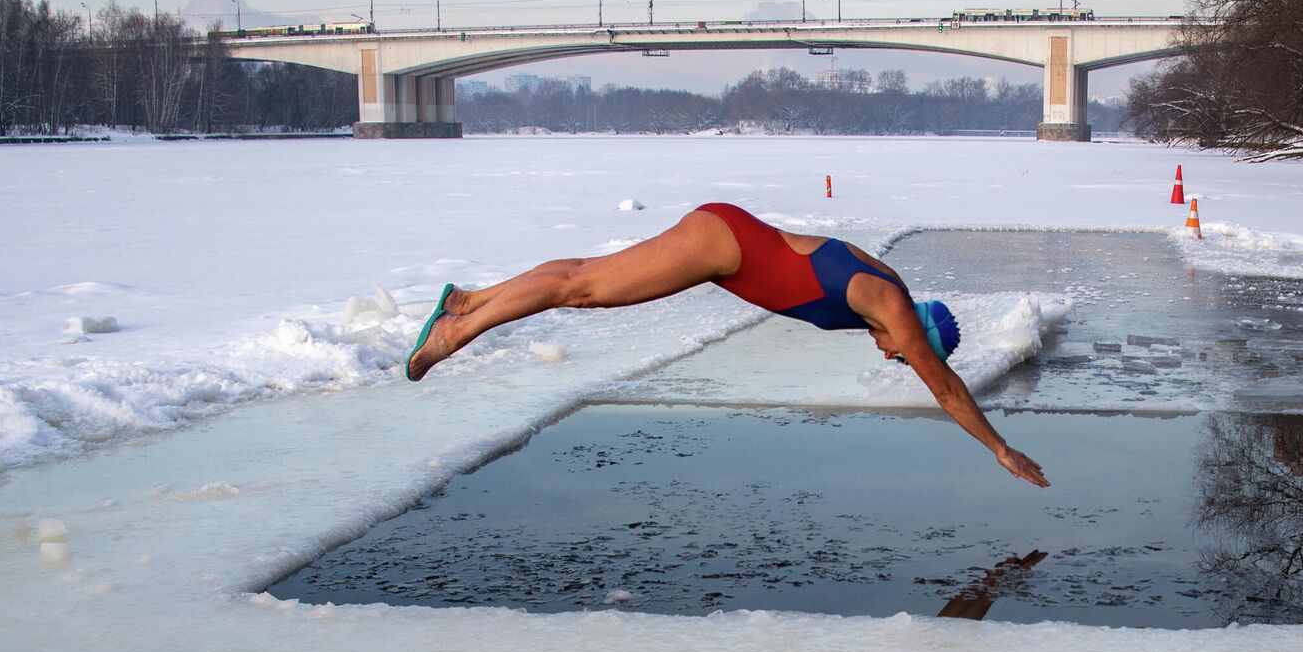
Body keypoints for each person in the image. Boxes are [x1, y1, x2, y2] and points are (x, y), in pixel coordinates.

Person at [407, 202, 1049, 487]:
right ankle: (457, 327)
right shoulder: (887, 304)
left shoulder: (888, 291)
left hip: (728, 239)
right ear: (917, 335)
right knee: (583, 289)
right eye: (903, 352)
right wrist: (999, 448)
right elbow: (942, 384)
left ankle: (468, 301)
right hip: (722, 247)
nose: (893, 358)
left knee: (583, 276)